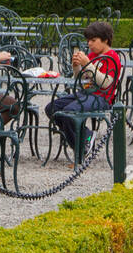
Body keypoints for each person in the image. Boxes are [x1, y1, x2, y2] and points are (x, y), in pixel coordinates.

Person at [45, 21, 122, 156]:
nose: (89, 44)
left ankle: (81, 148)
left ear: (105, 40)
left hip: (102, 98)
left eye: (93, 40)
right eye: (88, 40)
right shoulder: (92, 56)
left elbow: (105, 83)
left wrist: (87, 64)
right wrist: (76, 67)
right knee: (51, 108)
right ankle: (85, 136)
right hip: (85, 93)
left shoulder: (112, 57)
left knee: (69, 112)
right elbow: (81, 80)